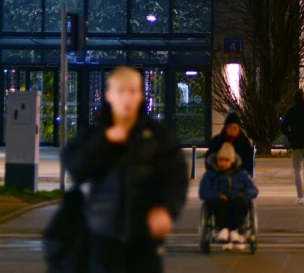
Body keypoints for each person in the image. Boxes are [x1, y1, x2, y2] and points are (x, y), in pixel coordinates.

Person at [63, 66, 188, 273]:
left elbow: (176, 178)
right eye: (121, 91)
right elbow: (76, 168)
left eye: (133, 91)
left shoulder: (158, 136)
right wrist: (105, 141)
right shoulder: (94, 134)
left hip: (144, 238)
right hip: (103, 235)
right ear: (109, 95)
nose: (127, 98)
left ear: (140, 95)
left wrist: (167, 209)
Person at [198, 142, 258, 248]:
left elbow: (253, 190)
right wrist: (218, 195)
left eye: (226, 160)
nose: (223, 163)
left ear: (232, 161)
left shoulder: (241, 174)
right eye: (220, 160)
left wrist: (244, 195)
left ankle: (235, 230)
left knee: (241, 202)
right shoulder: (211, 174)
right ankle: (223, 229)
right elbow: (204, 192)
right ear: (216, 160)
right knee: (219, 202)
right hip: (219, 200)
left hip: (237, 198)